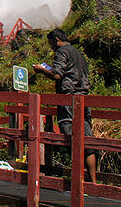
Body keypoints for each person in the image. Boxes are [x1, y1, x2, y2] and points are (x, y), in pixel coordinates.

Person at [33, 29, 97, 182]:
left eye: (51, 44)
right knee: (87, 141)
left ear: (56, 40)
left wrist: (42, 70)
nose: (51, 47)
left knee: (71, 140)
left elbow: (57, 74)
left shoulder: (62, 52)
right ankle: (93, 182)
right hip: (84, 98)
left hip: (68, 99)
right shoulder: (79, 53)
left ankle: (78, 182)